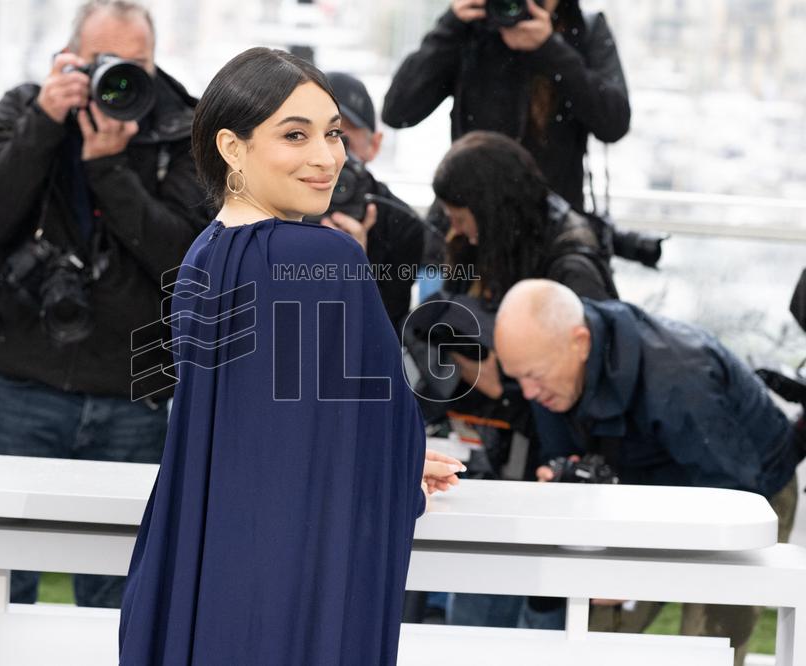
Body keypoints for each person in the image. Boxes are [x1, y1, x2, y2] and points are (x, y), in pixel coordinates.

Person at [118, 47, 463, 665]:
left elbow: (271, 423)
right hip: (292, 588)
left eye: (333, 133)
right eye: (295, 135)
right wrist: (400, 465)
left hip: (205, 567)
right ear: (232, 147)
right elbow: (376, 422)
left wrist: (393, 456)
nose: (327, 157)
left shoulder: (202, 256)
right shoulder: (329, 261)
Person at [0, 0, 209, 609]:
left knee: (116, 590)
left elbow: (185, 260)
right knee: (2, 577)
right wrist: (45, 124)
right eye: (105, 61)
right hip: (23, 385)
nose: (120, 79)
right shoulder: (26, 108)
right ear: (70, 58)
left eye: (137, 65)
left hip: (133, 395)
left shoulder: (185, 132)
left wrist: (108, 167)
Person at [493, 279, 801, 666]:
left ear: (580, 342)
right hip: (643, 487)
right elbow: (564, 459)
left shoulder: (678, 377)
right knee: (594, 641)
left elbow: (733, 503)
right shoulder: (546, 371)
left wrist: (641, 574)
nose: (528, 393)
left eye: (534, 376)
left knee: (709, 649)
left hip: (747, 493)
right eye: (517, 377)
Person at [423, 129, 619, 629]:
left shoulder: (571, 264)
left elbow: (590, 376)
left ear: (490, 209)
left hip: (554, 464)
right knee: (478, 604)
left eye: (462, 219)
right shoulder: (500, 237)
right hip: (503, 452)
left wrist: (501, 381)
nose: (459, 233)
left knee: (535, 614)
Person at [382, 0, 630, 211]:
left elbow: (614, 123)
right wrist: (451, 26)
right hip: (467, 223)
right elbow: (398, 111)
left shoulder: (583, 30)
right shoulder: (472, 30)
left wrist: (550, 50)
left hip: (548, 227)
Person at [319, 72, 425, 335]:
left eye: (340, 136)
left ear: (374, 145)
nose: (330, 157)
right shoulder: (272, 206)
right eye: (306, 135)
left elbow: (385, 337)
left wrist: (357, 270)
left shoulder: (402, 226)